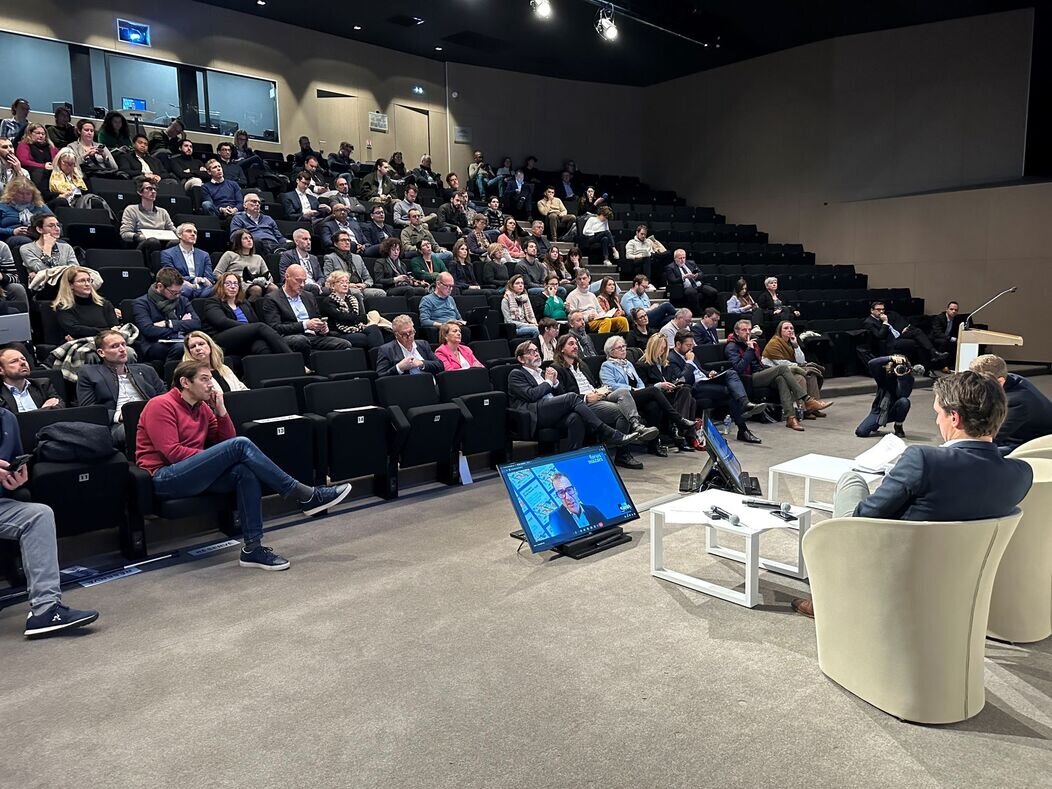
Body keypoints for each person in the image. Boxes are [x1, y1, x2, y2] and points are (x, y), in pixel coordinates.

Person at [791, 370, 1035, 619]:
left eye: (937, 414)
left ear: (955, 418)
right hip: (960, 578)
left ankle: (831, 594)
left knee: (851, 480)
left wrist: (893, 482)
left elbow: (863, 517)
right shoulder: (1021, 475)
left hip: (896, 567)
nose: (937, 421)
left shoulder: (923, 459)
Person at [137, 360, 351, 570]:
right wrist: (213, 458)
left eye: (211, 378)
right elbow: (173, 453)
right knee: (240, 445)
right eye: (204, 379)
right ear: (185, 382)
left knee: (244, 471)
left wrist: (221, 411)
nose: (211, 384)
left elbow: (225, 440)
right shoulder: (160, 404)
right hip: (165, 477)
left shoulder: (202, 407)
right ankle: (305, 494)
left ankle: (253, 549)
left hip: (194, 473)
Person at [0, 407, 99, 639]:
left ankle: (45, 610)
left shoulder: (7, 419)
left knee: (39, 514)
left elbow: (11, 467)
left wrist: (15, 481)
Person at [553, 333, 659, 469]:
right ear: (561, 348)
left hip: (597, 396)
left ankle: (636, 424)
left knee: (623, 392)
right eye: (570, 344)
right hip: (583, 403)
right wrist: (587, 397)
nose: (575, 347)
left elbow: (593, 385)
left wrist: (601, 391)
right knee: (621, 411)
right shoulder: (557, 368)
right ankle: (623, 454)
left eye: (575, 344)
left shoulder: (582, 365)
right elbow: (564, 396)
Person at [507, 341, 636, 451]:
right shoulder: (516, 374)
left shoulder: (542, 372)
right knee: (571, 397)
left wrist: (556, 383)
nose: (535, 353)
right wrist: (549, 382)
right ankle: (608, 433)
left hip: (551, 410)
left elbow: (559, 395)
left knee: (575, 417)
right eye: (530, 352)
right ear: (521, 359)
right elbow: (531, 395)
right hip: (535, 413)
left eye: (536, 350)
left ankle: (574, 455)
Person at [726, 319, 832, 431]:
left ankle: (790, 418)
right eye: (744, 330)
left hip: (760, 373)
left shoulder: (752, 343)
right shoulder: (732, 347)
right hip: (746, 378)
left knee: (781, 379)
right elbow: (738, 368)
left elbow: (760, 364)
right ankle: (807, 399)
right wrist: (749, 350)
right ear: (737, 332)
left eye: (749, 329)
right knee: (782, 369)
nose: (747, 332)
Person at [600, 335, 696, 456]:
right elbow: (609, 385)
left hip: (637, 393)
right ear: (610, 351)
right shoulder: (607, 366)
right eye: (619, 348)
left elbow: (639, 381)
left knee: (654, 405)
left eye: (624, 346)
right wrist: (633, 388)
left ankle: (654, 444)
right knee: (654, 390)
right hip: (623, 396)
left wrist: (641, 390)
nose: (624, 349)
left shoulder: (628, 364)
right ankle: (678, 420)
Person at [669, 330, 763, 445]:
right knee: (730, 392)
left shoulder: (689, 352)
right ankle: (743, 427)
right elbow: (682, 380)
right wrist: (689, 362)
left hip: (705, 381)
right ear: (678, 344)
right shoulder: (672, 358)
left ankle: (744, 403)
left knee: (731, 373)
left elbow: (700, 370)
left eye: (692, 344)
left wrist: (709, 373)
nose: (691, 347)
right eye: (688, 345)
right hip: (693, 388)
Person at [78, 330, 166, 446]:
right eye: (115, 346)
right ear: (101, 352)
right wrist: (119, 416)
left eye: (123, 344)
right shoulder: (89, 373)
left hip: (153, 417)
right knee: (138, 428)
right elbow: (89, 409)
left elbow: (164, 397)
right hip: (119, 425)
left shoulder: (146, 370)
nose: (122, 349)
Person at [260, 264, 353, 360]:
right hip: (290, 336)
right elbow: (275, 328)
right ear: (287, 277)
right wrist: (305, 325)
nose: (302, 285)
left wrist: (322, 328)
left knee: (344, 344)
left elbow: (317, 318)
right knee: (301, 340)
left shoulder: (308, 296)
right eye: (298, 281)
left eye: (304, 281)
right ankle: (306, 368)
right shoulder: (272, 298)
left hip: (313, 336)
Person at [969, 354, 1052, 454]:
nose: (974, 388)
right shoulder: (1010, 379)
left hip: (1030, 444)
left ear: (1000, 381)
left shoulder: (1017, 402)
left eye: (979, 384)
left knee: (978, 451)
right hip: (1015, 434)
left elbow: (990, 438)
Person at [197, 272, 292, 357]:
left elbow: (254, 321)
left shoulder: (244, 303)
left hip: (246, 336)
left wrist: (250, 329)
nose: (233, 286)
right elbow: (221, 321)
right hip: (221, 338)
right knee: (260, 327)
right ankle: (293, 358)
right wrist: (249, 328)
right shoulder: (212, 302)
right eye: (228, 283)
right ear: (221, 286)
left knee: (262, 346)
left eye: (235, 284)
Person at [636, 333, 700, 451]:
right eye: (661, 347)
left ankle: (680, 431)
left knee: (686, 390)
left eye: (665, 347)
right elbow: (642, 387)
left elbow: (677, 378)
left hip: (668, 393)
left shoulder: (665, 363)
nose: (663, 350)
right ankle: (681, 432)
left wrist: (673, 384)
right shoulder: (642, 365)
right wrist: (660, 386)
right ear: (653, 347)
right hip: (654, 395)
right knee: (688, 397)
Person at [132, 267, 201, 363]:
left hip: (181, 340)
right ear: (160, 286)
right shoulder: (141, 303)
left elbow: (196, 323)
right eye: (173, 292)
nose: (177, 295)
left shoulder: (183, 300)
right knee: (181, 348)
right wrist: (181, 326)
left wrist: (168, 323)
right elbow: (148, 330)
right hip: (155, 343)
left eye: (180, 292)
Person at [762, 320, 826, 415]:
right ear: (780, 331)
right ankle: (803, 410)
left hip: (790, 369)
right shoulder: (774, 343)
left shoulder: (791, 343)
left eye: (791, 328)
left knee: (811, 375)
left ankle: (813, 407)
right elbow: (781, 363)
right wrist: (800, 366)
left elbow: (800, 360)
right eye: (786, 328)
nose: (790, 330)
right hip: (775, 372)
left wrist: (796, 345)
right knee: (800, 378)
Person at [863, 301, 944, 373]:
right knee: (918, 343)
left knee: (917, 331)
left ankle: (933, 351)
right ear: (872, 310)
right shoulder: (869, 322)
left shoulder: (887, 315)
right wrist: (885, 322)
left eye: (883, 309)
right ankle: (928, 367)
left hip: (899, 335)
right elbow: (879, 336)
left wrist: (903, 329)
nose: (881, 311)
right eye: (878, 309)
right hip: (890, 342)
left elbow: (896, 325)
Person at [855, 355, 919, 438]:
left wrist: (902, 377)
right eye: (897, 366)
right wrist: (890, 358)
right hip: (879, 411)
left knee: (904, 401)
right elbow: (872, 363)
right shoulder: (884, 376)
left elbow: (903, 394)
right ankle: (877, 423)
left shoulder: (908, 378)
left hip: (894, 410)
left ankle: (898, 425)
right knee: (861, 432)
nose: (899, 368)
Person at [318, 270, 385, 348]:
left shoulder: (353, 299)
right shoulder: (328, 301)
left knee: (376, 330)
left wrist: (354, 318)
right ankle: (379, 358)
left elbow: (363, 318)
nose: (345, 285)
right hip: (340, 333)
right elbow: (342, 317)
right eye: (341, 282)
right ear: (333, 285)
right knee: (368, 339)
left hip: (356, 328)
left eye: (347, 282)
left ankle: (379, 358)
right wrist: (356, 318)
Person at [52, 267, 120, 341]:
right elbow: (75, 330)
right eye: (82, 281)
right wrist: (106, 330)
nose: (87, 284)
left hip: (108, 342)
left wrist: (91, 332)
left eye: (89, 280)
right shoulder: (63, 306)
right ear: (71, 285)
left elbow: (115, 329)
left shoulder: (104, 304)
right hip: (82, 343)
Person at [120, 178, 177, 257]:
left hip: (163, 243)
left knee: (175, 242)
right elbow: (125, 233)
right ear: (140, 192)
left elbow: (173, 230)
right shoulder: (131, 209)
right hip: (143, 244)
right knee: (153, 242)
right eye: (149, 189)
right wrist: (140, 237)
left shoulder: (163, 212)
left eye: (154, 189)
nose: (153, 192)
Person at [214, 229, 276, 300]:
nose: (249, 240)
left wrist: (265, 282)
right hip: (238, 282)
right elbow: (216, 273)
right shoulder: (229, 255)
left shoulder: (258, 258)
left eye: (250, 238)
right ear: (238, 241)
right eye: (245, 238)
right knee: (256, 290)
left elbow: (269, 277)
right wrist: (230, 281)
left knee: (274, 288)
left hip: (257, 282)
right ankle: (248, 310)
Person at [322, 230, 384, 301]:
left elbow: (368, 278)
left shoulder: (357, 257)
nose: (347, 242)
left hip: (360, 287)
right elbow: (328, 278)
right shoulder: (330, 258)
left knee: (380, 293)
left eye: (348, 240)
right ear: (335, 244)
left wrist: (364, 285)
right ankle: (361, 312)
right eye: (343, 240)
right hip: (344, 287)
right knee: (356, 293)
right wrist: (348, 284)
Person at [159, 223, 216, 298]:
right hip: (180, 285)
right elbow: (171, 275)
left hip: (201, 287)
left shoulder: (204, 255)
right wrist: (195, 280)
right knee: (184, 289)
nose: (193, 234)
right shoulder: (167, 253)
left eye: (195, 232)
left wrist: (196, 285)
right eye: (189, 231)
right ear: (179, 235)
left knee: (217, 290)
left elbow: (209, 279)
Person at [375, 314, 444, 377]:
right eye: (404, 334)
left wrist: (422, 363)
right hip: (406, 386)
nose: (409, 337)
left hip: (428, 384)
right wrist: (399, 368)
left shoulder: (423, 344)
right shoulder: (386, 350)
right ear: (396, 335)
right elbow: (381, 375)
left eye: (411, 332)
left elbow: (440, 365)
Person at [0, 345, 64, 413]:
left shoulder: (42, 384)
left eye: (23, 359)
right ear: (1, 370)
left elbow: (60, 407)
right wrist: (43, 410)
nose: (23, 363)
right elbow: (6, 419)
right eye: (14, 361)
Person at [565, 269, 629, 333]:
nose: (582, 281)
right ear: (576, 280)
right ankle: (602, 342)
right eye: (579, 279)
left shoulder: (592, 295)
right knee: (606, 321)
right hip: (587, 322)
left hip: (597, 318)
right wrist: (587, 317)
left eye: (584, 278)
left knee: (622, 320)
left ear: (589, 279)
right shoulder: (572, 296)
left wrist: (605, 315)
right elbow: (573, 316)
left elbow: (600, 311)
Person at [182, 331, 247, 392]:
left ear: (210, 346)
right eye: (193, 346)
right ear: (189, 352)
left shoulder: (224, 368)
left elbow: (242, 389)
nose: (197, 348)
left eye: (201, 344)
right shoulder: (192, 374)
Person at [419, 272, 476, 342]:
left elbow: (459, 318)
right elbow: (424, 321)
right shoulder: (427, 299)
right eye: (447, 286)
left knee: (476, 328)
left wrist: (461, 322)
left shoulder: (450, 299)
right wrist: (444, 325)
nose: (450, 289)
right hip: (442, 328)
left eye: (452, 286)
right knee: (464, 331)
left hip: (455, 326)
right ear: (438, 284)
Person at [0, 177, 53, 251]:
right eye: (21, 193)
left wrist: (38, 232)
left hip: (39, 235)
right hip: (11, 236)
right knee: (27, 243)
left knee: (59, 243)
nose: (24, 196)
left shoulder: (40, 206)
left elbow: (56, 224)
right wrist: (12, 231)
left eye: (28, 194)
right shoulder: (3, 206)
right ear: (12, 193)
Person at [664, 248, 717, 315]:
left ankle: (705, 309)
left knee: (713, 292)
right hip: (685, 287)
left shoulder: (691, 263)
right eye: (680, 258)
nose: (682, 260)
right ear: (675, 258)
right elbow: (672, 280)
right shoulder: (670, 267)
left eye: (684, 257)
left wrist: (695, 276)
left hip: (698, 284)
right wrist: (684, 277)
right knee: (692, 292)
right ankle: (698, 312)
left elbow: (701, 274)